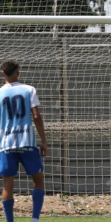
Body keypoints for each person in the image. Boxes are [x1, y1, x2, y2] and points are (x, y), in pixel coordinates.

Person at [0, 60, 48, 222]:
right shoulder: (29, 89)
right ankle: (34, 219)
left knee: (7, 185)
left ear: (3, 74)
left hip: (6, 144)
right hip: (27, 142)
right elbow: (36, 116)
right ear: (18, 72)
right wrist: (44, 141)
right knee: (38, 179)